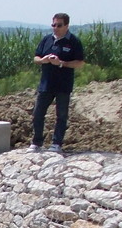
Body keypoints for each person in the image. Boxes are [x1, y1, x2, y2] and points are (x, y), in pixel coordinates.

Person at [29, 13, 85, 152]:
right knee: (38, 113)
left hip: (63, 85)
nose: (55, 28)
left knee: (61, 115)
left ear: (66, 25)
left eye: (59, 25)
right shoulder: (46, 40)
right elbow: (36, 57)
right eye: (53, 25)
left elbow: (79, 63)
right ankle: (37, 142)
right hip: (46, 84)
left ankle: (56, 143)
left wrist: (61, 63)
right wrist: (43, 60)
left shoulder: (73, 42)